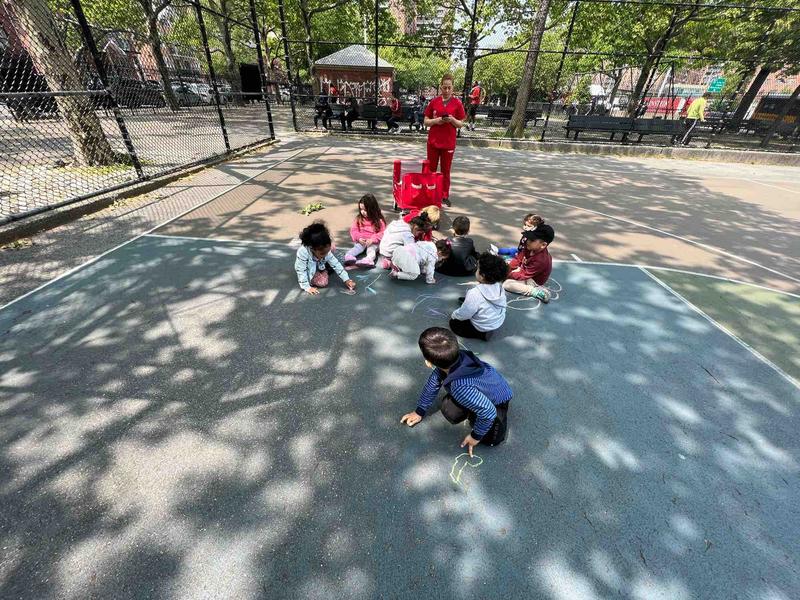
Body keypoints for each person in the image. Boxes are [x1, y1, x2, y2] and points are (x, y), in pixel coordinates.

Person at [400, 327, 513, 455]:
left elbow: (488, 411)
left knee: (491, 438)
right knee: (451, 409)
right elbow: (432, 384)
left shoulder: (460, 387)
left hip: (498, 401)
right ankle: (474, 407)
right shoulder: (458, 356)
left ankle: (486, 423)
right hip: (487, 386)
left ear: (428, 362)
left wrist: (475, 437)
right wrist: (419, 411)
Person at [424, 73, 466, 208]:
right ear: (440, 87)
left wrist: (452, 119)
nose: (447, 90)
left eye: (449, 88)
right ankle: (429, 192)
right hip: (433, 142)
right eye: (444, 87)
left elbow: (460, 124)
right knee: (430, 168)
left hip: (448, 143)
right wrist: (437, 121)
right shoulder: (434, 102)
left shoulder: (457, 103)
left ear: (453, 88)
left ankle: (444, 195)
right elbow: (426, 121)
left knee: (445, 170)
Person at [449, 252, 508, 340]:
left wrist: (454, 315)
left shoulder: (475, 293)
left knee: (454, 323)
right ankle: (485, 326)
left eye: (477, 269)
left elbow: (465, 314)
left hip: (481, 327)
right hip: (496, 321)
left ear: (482, 276)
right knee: (475, 303)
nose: (476, 270)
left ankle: (481, 335)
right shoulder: (498, 285)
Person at [295, 221, 356, 295]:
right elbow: (301, 270)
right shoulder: (303, 252)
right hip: (310, 269)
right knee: (323, 282)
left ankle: (324, 269)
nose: (326, 254)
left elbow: (336, 264)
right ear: (312, 249)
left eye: (327, 251)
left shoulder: (324, 249)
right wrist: (307, 287)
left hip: (320, 263)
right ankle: (322, 271)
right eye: (322, 253)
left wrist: (347, 280)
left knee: (337, 260)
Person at [502, 224, 554, 302]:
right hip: (523, 270)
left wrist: (507, 274)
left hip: (532, 280)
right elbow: (518, 259)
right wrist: (508, 268)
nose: (527, 241)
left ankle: (535, 292)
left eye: (532, 240)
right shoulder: (529, 247)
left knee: (507, 284)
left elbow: (524, 275)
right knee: (505, 264)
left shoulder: (541, 260)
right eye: (529, 238)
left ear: (543, 245)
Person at [344, 193, 386, 267]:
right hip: (362, 241)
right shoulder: (359, 219)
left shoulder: (379, 220)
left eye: (365, 210)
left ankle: (369, 259)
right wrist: (359, 238)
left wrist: (372, 240)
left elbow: (383, 233)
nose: (363, 212)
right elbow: (353, 230)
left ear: (372, 209)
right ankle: (349, 256)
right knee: (357, 247)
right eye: (361, 209)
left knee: (371, 249)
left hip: (373, 242)